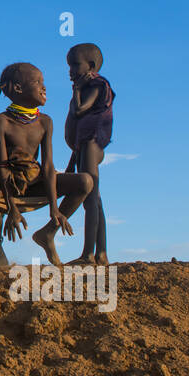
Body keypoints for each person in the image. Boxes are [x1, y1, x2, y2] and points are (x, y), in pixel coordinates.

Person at [0, 62, 92, 266]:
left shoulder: (45, 122)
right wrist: (11, 206)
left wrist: (55, 209)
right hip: (6, 187)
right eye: (37, 82)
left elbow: (48, 166)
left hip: (35, 183)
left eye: (43, 82)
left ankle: (47, 233)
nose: (44, 87)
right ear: (18, 88)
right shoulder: (2, 121)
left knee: (85, 181)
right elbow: (3, 165)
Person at [63, 44, 115, 266]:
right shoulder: (90, 85)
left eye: (75, 65)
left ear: (91, 66)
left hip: (92, 145)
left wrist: (76, 91)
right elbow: (79, 129)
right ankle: (101, 254)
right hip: (86, 146)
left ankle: (87, 255)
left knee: (90, 200)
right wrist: (73, 160)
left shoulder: (96, 85)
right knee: (96, 200)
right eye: (69, 66)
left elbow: (80, 110)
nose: (71, 70)